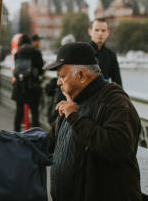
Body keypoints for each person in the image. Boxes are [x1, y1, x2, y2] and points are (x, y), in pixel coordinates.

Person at [45, 42, 141, 200]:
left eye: (62, 76)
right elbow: (50, 140)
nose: (58, 83)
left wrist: (74, 118)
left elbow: (119, 146)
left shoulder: (114, 100)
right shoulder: (75, 102)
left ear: (81, 75)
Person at [11, 34, 44, 131]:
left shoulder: (18, 53)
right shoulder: (36, 52)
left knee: (19, 111)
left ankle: (16, 134)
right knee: (34, 112)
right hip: (32, 86)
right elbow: (41, 70)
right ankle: (35, 136)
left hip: (19, 85)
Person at [89, 18, 122, 86]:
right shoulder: (82, 52)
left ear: (108, 32)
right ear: (90, 31)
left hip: (104, 94)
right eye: (96, 30)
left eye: (103, 30)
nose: (100, 33)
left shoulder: (111, 55)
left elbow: (117, 82)